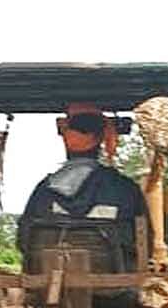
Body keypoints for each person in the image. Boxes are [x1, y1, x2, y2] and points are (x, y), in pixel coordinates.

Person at [18, 103, 146, 274]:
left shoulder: (44, 190)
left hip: (46, 285)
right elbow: (145, 243)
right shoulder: (125, 189)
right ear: (100, 138)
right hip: (115, 290)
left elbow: (23, 241)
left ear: (66, 140)